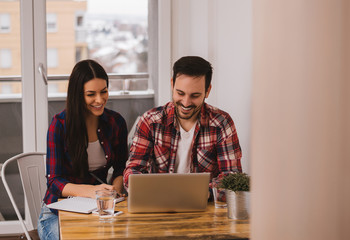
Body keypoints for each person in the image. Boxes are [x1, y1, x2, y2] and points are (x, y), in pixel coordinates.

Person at [37, 59, 128, 240]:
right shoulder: (60, 124)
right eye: (91, 94)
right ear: (78, 95)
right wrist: (94, 192)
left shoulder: (115, 122)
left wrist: (112, 193)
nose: (99, 99)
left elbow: (121, 168)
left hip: (100, 208)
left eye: (104, 92)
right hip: (58, 211)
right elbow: (54, 182)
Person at [123, 56, 242, 189]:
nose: (186, 102)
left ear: (207, 91)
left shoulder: (222, 123)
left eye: (195, 96)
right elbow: (132, 173)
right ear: (172, 84)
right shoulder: (150, 122)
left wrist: (202, 192)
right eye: (180, 93)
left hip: (205, 205)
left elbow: (232, 177)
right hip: (159, 203)